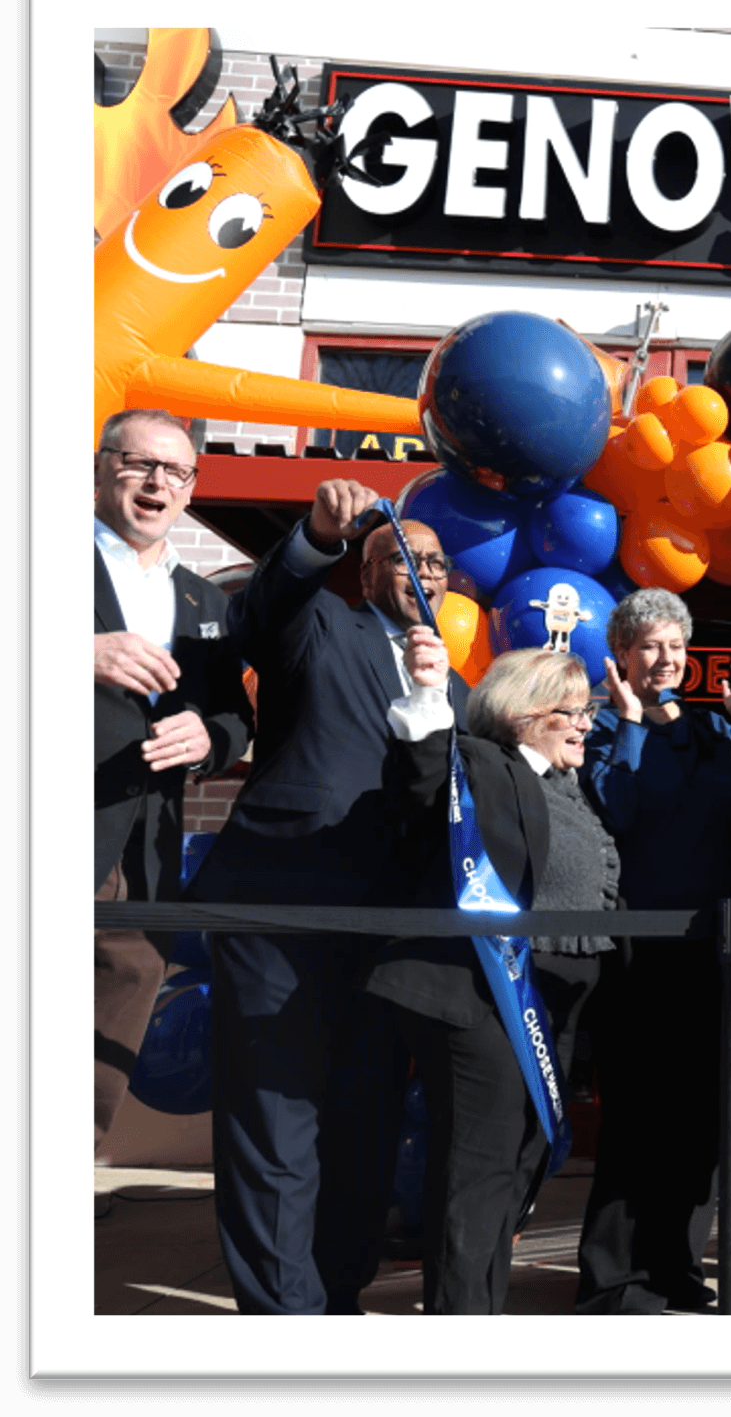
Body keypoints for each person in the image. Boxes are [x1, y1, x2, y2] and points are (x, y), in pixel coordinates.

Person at [186, 478, 465, 1315]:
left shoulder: (448, 675)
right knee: (276, 1117)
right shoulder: (318, 624)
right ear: (365, 570)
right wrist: (316, 535)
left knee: (363, 1119)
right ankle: (283, 1317)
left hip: (391, 930)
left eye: (435, 562)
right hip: (284, 907)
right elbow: (268, 604)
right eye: (400, 558)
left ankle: (337, 1295)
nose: (421, 573)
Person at [376, 634, 618, 1314]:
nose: (582, 725)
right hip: (474, 995)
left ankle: (479, 1308)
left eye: (586, 712)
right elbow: (424, 783)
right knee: (478, 1167)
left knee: (515, 1160)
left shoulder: (563, 783)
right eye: (569, 713)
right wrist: (427, 696)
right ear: (522, 716)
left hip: (540, 1000)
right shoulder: (481, 761)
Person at [574, 587, 731, 1315]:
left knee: (697, 1124)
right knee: (635, 1120)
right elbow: (614, 809)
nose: (664, 658)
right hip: (637, 955)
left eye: (675, 646)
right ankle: (613, 1280)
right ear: (620, 654)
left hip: (715, 953)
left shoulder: (715, 731)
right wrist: (625, 723)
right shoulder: (597, 728)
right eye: (649, 645)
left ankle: (677, 1270)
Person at [93, 409, 253, 1154]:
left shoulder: (206, 600)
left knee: (112, 1015)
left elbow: (231, 716)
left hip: (145, 852)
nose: (158, 482)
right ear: (100, 467)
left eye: (176, 471)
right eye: (139, 464)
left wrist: (209, 740)